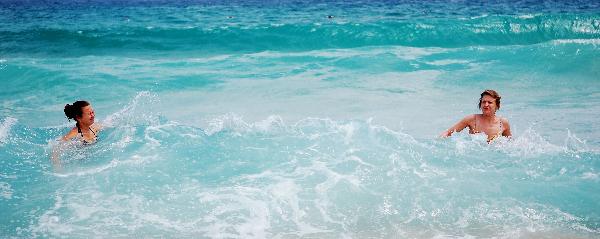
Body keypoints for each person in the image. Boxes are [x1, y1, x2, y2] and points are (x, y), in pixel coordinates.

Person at [440, 89, 511, 142]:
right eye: (484, 102)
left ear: (497, 106)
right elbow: (448, 132)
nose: (486, 105)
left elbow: (509, 143)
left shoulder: (503, 123)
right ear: (480, 105)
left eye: (490, 102)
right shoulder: (472, 119)